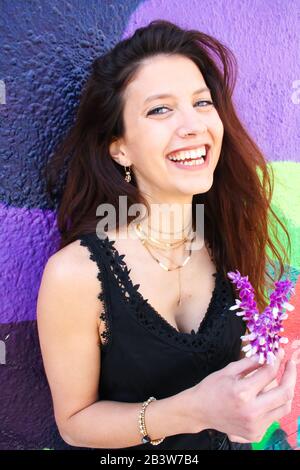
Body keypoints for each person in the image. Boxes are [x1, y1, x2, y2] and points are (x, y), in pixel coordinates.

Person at [37, 20, 297, 450]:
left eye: (202, 103)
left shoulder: (231, 240)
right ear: (118, 146)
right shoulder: (76, 275)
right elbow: (74, 423)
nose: (193, 125)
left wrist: (255, 395)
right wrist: (195, 409)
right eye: (160, 109)